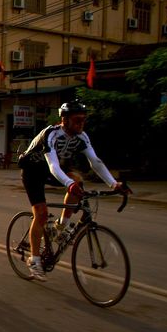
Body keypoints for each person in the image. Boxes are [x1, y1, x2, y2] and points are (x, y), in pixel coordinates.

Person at [17, 100, 128, 281]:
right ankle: (34, 260)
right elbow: (53, 165)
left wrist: (114, 184)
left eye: (83, 120)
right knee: (41, 213)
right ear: (64, 120)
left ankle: (61, 226)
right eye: (77, 120)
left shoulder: (82, 137)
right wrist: (68, 183)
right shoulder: (51, 134)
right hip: (33, 171)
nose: (81, 124)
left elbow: (95, 162)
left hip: (54, 170)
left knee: (78, 181)